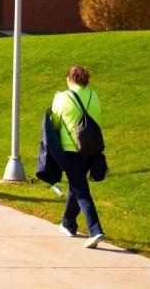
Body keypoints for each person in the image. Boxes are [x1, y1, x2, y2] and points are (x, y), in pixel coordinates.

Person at [51, 65, 105, 249]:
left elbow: (55, 124)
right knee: (77, 184)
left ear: (70, 79)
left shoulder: (62, 98)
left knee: (80, 188)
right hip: (92, 149)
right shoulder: (94, 96)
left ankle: (95, 229)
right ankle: (68, 223)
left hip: (71, 149)